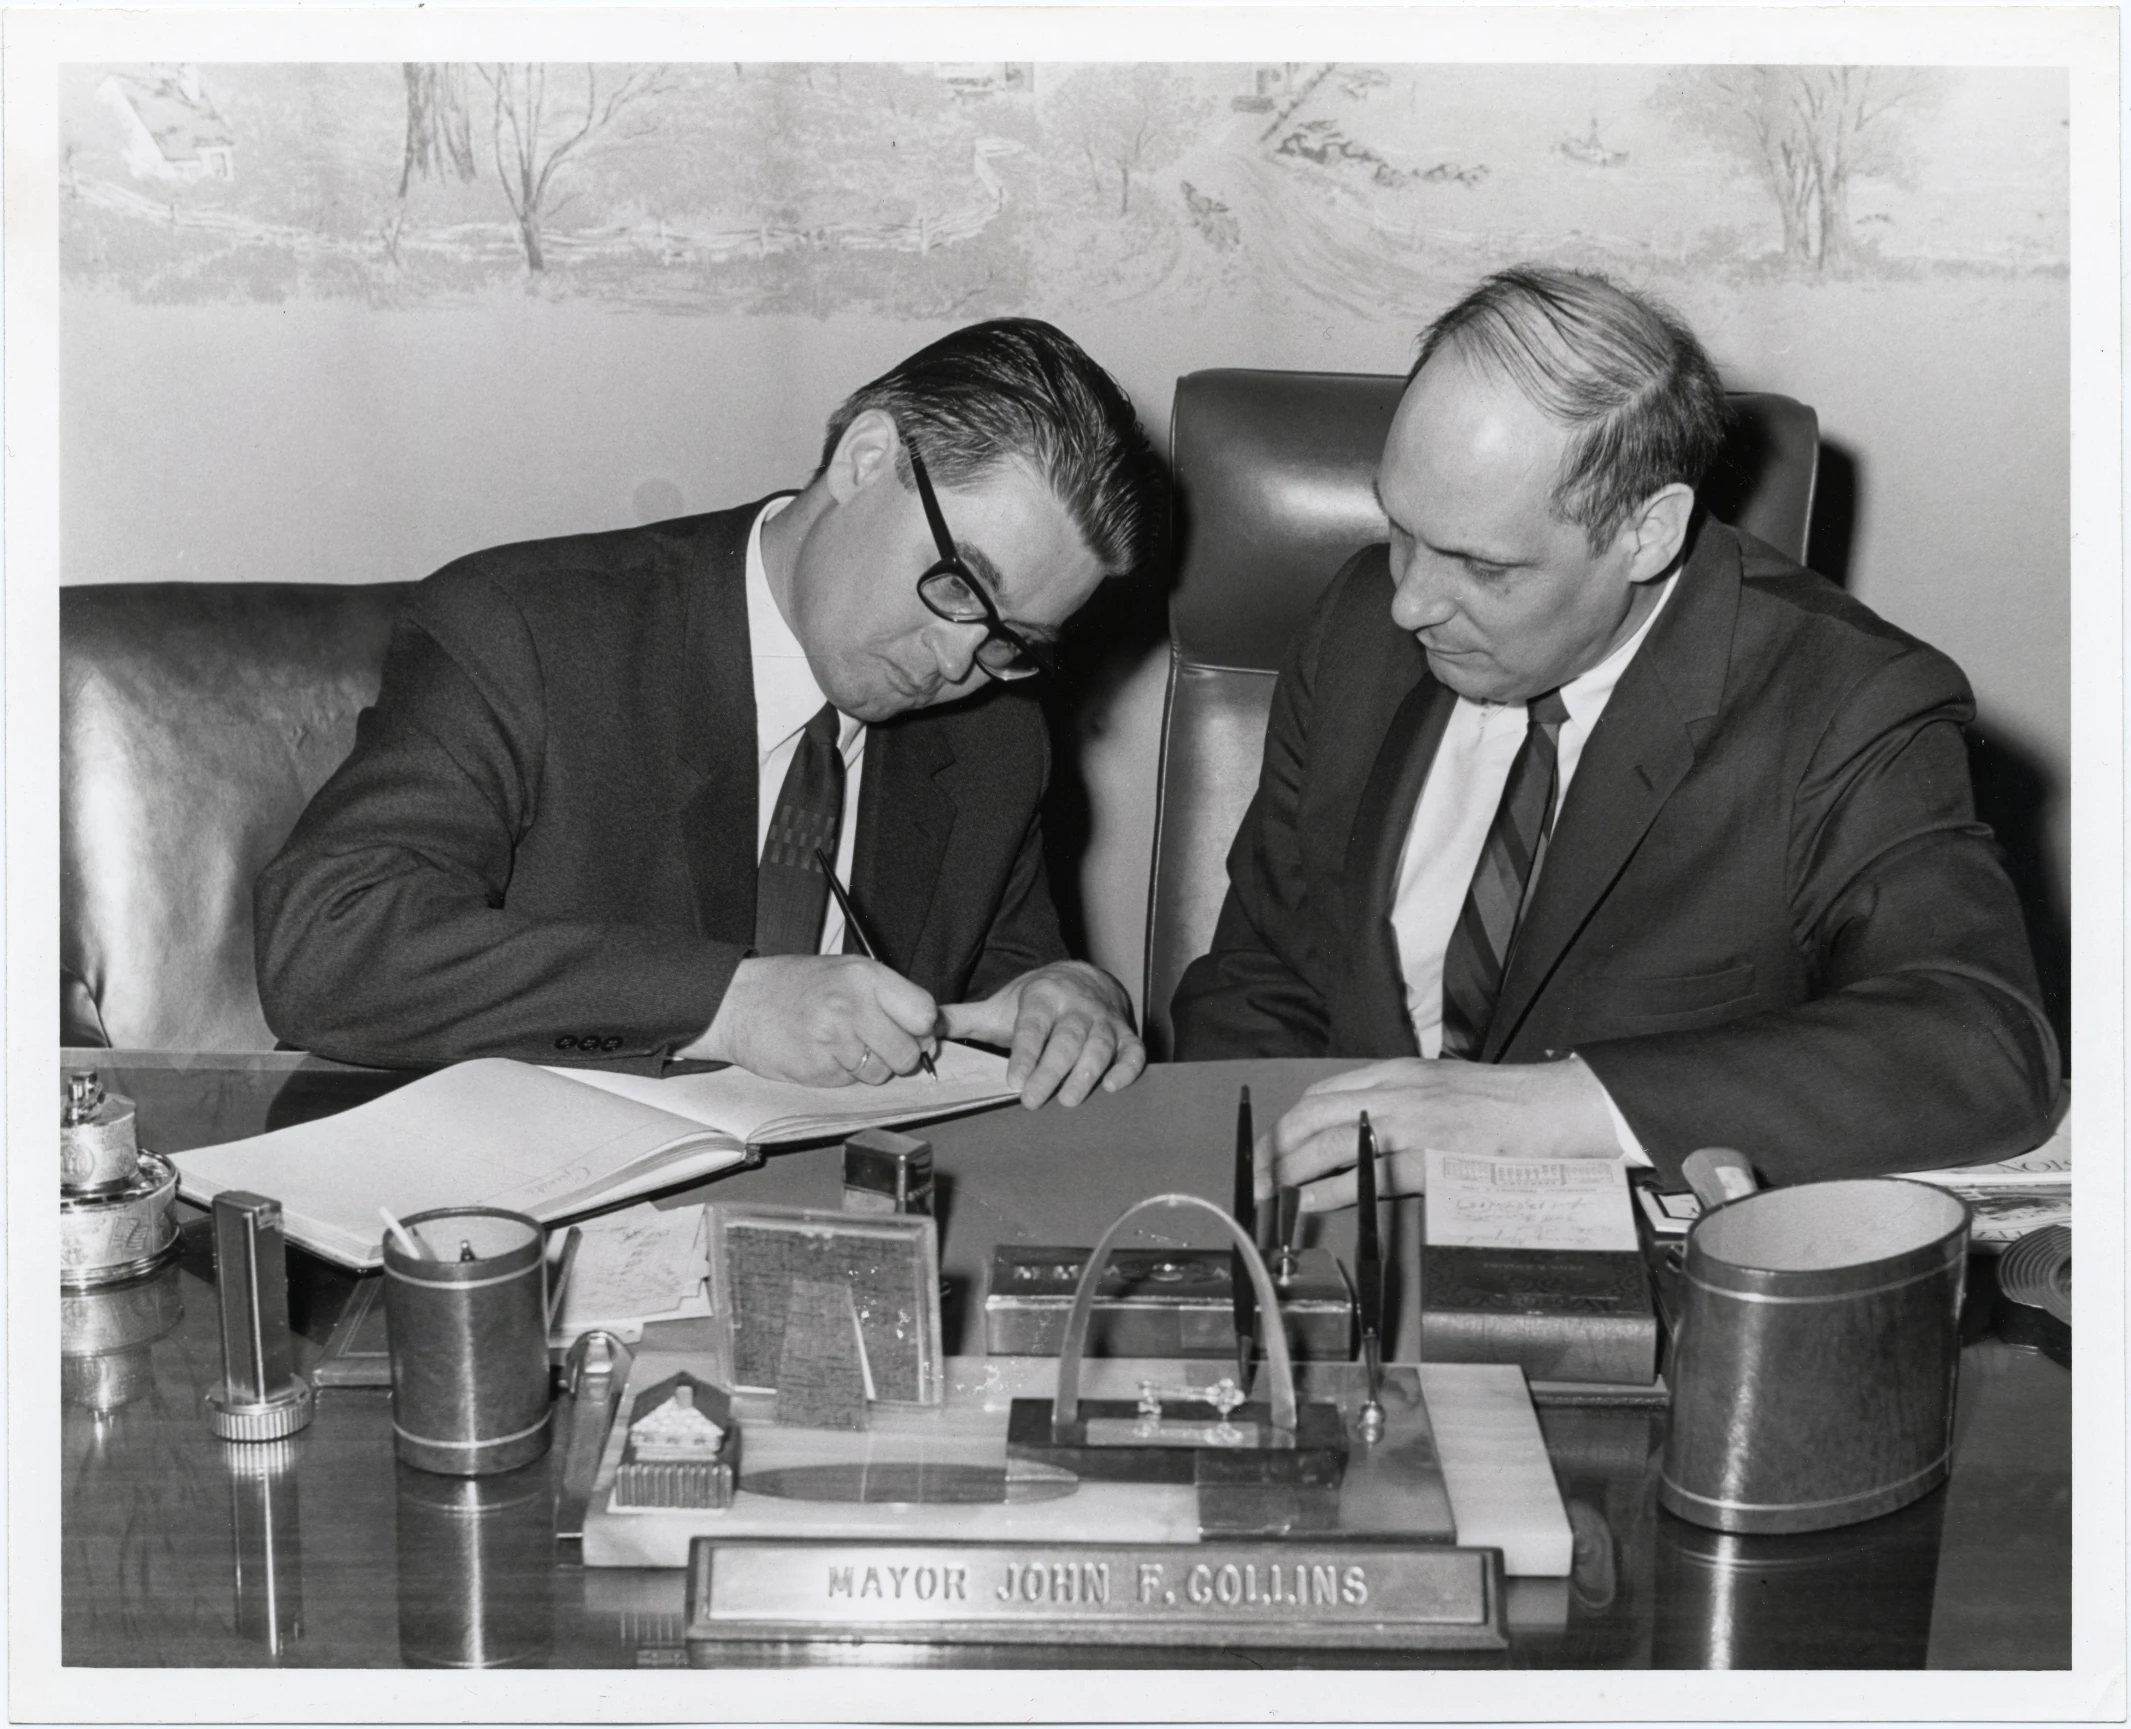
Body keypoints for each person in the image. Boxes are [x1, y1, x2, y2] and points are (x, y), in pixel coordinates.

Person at [1171, 266, 2059, 1201]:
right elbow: (1263, 970)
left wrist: (1550, 1114)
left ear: (1648, 533)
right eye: (1400, 529)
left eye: (1483, 565)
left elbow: (1983, 1040)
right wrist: (1246, 1204)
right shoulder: (1357, 620)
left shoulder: (1848, 706)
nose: (1409, 603)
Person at [256, 319, 1163, 1108]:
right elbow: (329, 943)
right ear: (868, 459)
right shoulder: (527, 630)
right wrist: (728, 1002)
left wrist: (1068, 995)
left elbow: (1004, 972)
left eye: (1015, 641)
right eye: (960, 584)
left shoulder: (996, 735)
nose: (961, 659)